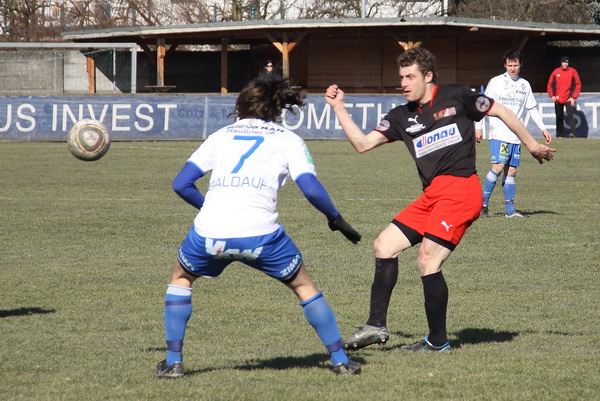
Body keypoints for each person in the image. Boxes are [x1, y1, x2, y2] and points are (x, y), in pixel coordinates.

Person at [324, 47, 555, 352]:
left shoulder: (459, 96)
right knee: (384, 245)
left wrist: (532, 144)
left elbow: (501, 111)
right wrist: (339, 107)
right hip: (432, 195)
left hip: (461, 191)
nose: (403, 83)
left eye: (410, 77)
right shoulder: (401, 116)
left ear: (428, 76)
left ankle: (438, 341)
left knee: (427, 259)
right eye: (401, 77)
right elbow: (363, 144)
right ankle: (375, 325)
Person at [155, 76, 362, 378]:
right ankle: (340, 361)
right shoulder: (289, 140)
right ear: (278, 107)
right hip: (261, 236)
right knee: (304, 287)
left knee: (181, 278)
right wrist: (335, 218)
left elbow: (181, 184)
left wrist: (212, 207)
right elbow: (310, 187)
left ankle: (173, 362)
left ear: (241, 104)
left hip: (210, 233)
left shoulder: (220, 136)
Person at [475, 50, 552, 218]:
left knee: (511, 171)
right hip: (498, 132)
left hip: (516, 135)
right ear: (505, 65)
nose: (512, 68)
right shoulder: (496, 82)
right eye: (509, 65)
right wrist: (478, 127)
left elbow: (532, 108)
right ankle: (483, 204)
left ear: (520, 65)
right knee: (498, 166)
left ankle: (510, 210)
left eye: (515, 65)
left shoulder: (525, 85)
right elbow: (482, 104)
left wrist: (543, 128)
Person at [547, 56, 582, 138]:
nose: (565, 64)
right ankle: (559, 135)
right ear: (561, 63)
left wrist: (573, 97)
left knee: (570, 115)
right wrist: (552, 95)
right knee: (559, 116)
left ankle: (573, 133)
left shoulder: (573, 71)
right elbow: (550, 84)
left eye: (566, 62)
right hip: (558, 98)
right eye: (563, 62)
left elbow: (577, 84)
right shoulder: (556, 72)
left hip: (568, 98)